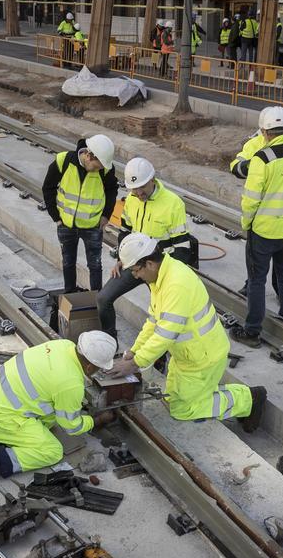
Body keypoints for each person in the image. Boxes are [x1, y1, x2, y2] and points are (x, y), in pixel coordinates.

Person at [108, 234, 267, 430]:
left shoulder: (175, 284)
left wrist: (135, 363)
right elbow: (153, 322)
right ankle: (213, 394)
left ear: (149, 263)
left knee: (183, 410)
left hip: (202, 357)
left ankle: (248, 400)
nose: (135, 275)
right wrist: (133, 351)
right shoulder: (161, 278)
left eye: (135, 270)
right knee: (176, 398)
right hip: (187, 355)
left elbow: (165, 333)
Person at [0, 331, 117, 489]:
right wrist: (96, 421)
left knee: (53, 415)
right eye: (99, 368)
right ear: (89, 367)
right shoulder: (71, 384)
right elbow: (72, 427)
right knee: (52, 451)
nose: (100, 371)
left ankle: (7, 438)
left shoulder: (63, 345)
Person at [230, 106, 283, 348]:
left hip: (264, 230)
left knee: (257, 280)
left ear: (264, 132)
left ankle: (252, 332)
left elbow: (251, 199)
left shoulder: (262, 158)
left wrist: (248, 223)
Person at [97, 157, 192, 340]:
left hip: (159, 270)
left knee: (164, 315)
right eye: (134, 188)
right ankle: (109, 342)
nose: (138, 193)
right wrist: (122, 259)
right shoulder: (131, 200)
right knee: (103, 299)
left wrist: (168, 278)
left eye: (142, 187)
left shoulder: (173, 203)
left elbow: (182, 248)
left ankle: (161, 356)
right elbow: (125, 232)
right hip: (135, 265)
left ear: (153, 180)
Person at [41, 134, 117, 293]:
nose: (99, 169)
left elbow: (111, 190)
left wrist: (105, 215)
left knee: (95, 265)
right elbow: (48, 187)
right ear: (88, 156)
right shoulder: (64, 161)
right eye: (97, 166)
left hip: (92, 226)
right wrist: (56, 217)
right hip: (66, 225)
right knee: (68, 262)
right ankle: (70, 297)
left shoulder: (106, 169)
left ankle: (96, 300)